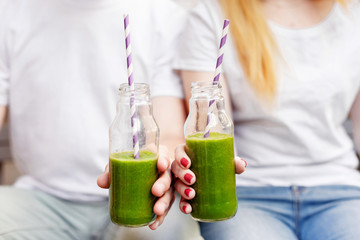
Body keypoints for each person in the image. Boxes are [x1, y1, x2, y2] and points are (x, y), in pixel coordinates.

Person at [172, 0, 360, 239]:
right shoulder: (211, 15)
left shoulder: (354, 14)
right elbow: (210, 124)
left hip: (339, 188)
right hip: (248, 193)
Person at [0, 0, 188, 239]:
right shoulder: (10, 10)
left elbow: (171, 133)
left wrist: (163, 165)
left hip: (140, 194)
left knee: (158, 232)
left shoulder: (164, 16)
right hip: (40, 201)